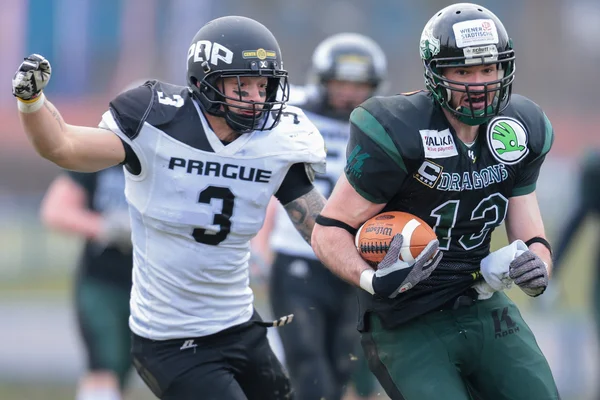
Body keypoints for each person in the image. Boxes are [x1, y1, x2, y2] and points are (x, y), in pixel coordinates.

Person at [13, 15, 327, 400]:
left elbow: (322, 229)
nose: (258, 98)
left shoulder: (279, 140)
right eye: (244, 84)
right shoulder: (157, 120)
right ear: (205, 80)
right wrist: (32, 102)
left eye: (264, 86)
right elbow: (61, 146)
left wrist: (372, 267)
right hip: (171, 339)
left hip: (239, 324)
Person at [311, 4, 559, 400]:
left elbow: (532, 234)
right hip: (407, 319)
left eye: (488, 69)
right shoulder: (398, 129)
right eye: (463, 71)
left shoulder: (521, 127)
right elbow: (330, 230)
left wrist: (535, 268)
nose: (479, 84)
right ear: (436, 72)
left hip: (483, 305)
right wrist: (371, 278)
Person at [254, 33, 386, 400]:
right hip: (298, 260)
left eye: (358, 85)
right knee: (308, 369)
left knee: (347, 371)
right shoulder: (290, 111)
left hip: (356, 263)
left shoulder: (384, 127)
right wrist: (260, 243)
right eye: (340, 83)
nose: (349, 93)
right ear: (321, 80)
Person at [41, 165, 133, 400]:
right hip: (103, 282)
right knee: (105, 367)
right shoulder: (101, 152)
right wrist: (105, 227)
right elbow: (55, 210)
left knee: (173, 370)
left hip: (164, 285)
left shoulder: (173, 148)